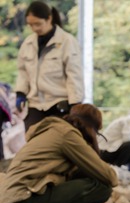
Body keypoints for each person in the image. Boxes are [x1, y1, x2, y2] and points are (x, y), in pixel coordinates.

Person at [0, 104, 117, 203]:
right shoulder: (67, 134)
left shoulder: (52, 129)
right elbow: (110, 177)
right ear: (91, 129)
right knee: (102, 188)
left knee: (78, 175)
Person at [15, 1, 84, 132]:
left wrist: (75, 104)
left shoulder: (67, 42)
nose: (35, 28)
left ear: (49, 19)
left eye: (38, 24)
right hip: (35, 105)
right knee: (33, 145)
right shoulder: (28, 43)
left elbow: (74, 75)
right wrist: (20, 93)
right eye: (31, 25)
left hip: (60, 104)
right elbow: (23, 72)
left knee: (57, 144)